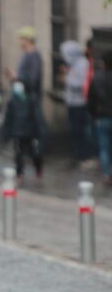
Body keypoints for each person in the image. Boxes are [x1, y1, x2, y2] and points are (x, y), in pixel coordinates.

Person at [7, 26, 45, 178]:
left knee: (30, 139)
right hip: (20, 103)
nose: (20, 42)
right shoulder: (25, 56)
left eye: (22, 39)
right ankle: (20, 170)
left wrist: (17, 77)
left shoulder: (34, 57)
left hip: (30, 105)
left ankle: (36, 167)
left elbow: (33, 81)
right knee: (19, 139)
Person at [2, 81, 44, 181]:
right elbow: (9, 118)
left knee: (34, 153)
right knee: (18, 153)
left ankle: (38, 169)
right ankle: (19, 173)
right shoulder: (12, 101)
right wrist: (6, 132)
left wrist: (39, 132)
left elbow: (37, 117)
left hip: (30, 132)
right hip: (18, 132)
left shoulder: (31, 100)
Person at [61, 40, 93, 165]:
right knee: (74, 130)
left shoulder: (83, 64)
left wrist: (67, 79)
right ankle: (76, 153)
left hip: (80, 103)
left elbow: (82, 84)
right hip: (72, 102)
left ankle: (83, 155)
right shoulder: (72, 65)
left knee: (80, 130)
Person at [87, 50, 112, 186]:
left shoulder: (97, 78)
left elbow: (91, 99)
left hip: (102, 116)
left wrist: (93, 114)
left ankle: (107, 174)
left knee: (104, 147)